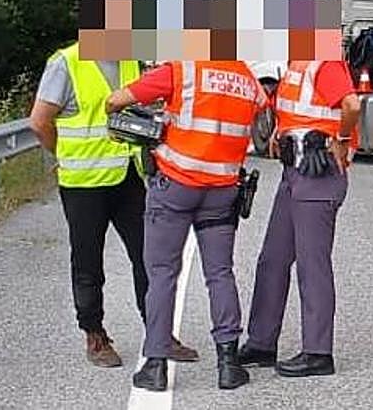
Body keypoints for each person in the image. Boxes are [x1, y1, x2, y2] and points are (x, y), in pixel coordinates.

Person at [28, 0, 198, 369]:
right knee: (88, 263)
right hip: (83, 184)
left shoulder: (128, 62)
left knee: (149, 258)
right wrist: (63, 154)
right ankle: (95, 335)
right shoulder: (66, 62)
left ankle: (159, 334)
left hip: (127, 178)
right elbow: (39, 121)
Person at [106, 58, 268, 392]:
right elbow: (263, 116)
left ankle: (155, 365)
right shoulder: (246, 77)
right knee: (220, 273)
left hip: (175, 188)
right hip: (222, 189)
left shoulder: (181, 70)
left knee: (163, 274)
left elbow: (116, 101)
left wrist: (158, 115)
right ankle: (228, 365)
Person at [238, 59, 361, 377]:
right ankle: (262, 343)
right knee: (273, 260)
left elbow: (351, 105)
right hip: (294, 172)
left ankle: (318, 353)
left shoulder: (325, 63)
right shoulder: (296, 65)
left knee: (312, 265)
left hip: (317, 174)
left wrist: (342, 140)